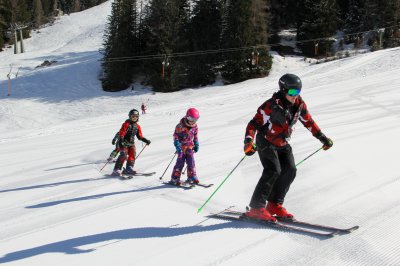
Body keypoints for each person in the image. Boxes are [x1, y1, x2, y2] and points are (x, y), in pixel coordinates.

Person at [243, 73, 333, 222]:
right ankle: (256, 208)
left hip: (282, 142)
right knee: (273, 170)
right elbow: (253, 124)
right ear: (283, 90)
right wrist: (248, 141)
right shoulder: (271, 106)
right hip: (265, 141)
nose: (295, 95)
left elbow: (309, 122)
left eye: (298, 92)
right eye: (292, 92)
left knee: (290, 170)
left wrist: (322, 138)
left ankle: (274, 205)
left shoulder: (299, 105)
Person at [112, 109, 151, 176]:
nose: (134, 118)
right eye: (133, 116)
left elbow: (139, 136)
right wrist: (120, 141)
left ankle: (129, 168)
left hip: (131, 143)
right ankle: (117, 169)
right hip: (124, 142)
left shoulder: (137, 126)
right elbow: (122, 133)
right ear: (130, 116)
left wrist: (146, 140)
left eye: (136, 116)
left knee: (133, 153)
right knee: (123, 154)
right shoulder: (126, 124)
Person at [170, 108, 200, 185]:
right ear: (187, 117)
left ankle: (191, 176)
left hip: (190, 147)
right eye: (191, 119)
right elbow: (175, 137)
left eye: (195, 120)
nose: (192, 122)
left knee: (191, 162)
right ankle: (175, 178)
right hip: (181, 148)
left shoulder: (195, 126)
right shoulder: (180, 126)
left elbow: (195, 136)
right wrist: (177, 146)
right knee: (180, 163)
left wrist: (196, 144)